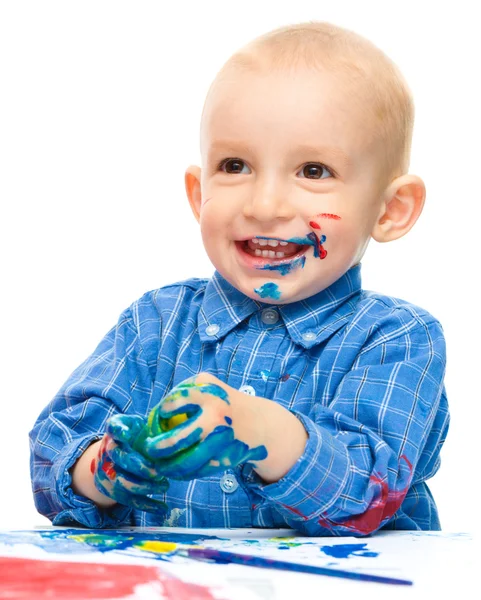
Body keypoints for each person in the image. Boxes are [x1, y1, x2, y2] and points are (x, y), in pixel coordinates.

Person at [29, 20, 449, 536]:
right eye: (235, 165)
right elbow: (52, 452)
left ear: (391, 210)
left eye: (313, 171)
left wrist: (256, 429)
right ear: (197, 192)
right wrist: (111, 467)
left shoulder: (398, 338)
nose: (264, 205)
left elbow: (367, 494)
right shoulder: (154, 322)